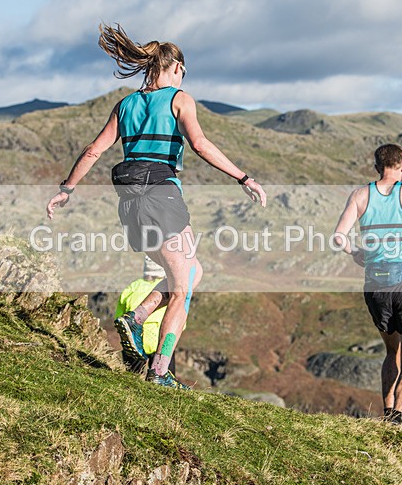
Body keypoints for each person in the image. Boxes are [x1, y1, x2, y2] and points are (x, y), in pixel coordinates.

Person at [46, 23, 266, 389]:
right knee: (183, 289)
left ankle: (137, 318)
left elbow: (93, 150)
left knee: (192, 271)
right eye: (183, 72)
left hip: (130, 203)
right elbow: (200, 144)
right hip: (162, 195)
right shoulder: (180, 99)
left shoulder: (126, 103)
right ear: (176, 67)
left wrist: (66, 189)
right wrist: (244, 178)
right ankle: (160, 372)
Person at [333, 143, 402, 425]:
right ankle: (397, 420)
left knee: (392, 352)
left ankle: (386, 413)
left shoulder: (360, 195)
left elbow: (339, 236)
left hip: (375, 286)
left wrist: (356, 253)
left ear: (377, 167)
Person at [115, 256, 180, 374]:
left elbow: (120, 317)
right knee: (163, 381)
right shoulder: (170, 289)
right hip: (161, 342)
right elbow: (179, 321)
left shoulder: (131, 288)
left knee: (131, 377)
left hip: (134, 338)